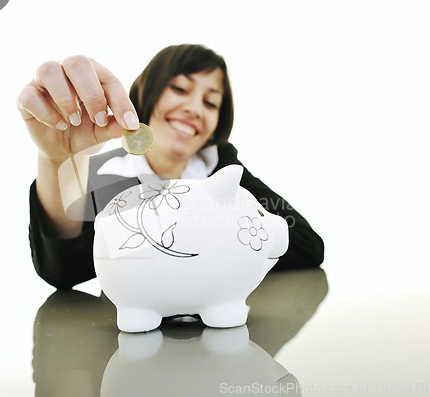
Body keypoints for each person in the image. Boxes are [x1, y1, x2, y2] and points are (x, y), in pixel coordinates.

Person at [18, 44, 325, 289]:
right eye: (180, 89)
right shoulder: (106, 174)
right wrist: (57, 160)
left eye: (211, 102)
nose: (194, 108)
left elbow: (306, 246)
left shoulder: (221, 169)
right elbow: (63, 271)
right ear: (149, 93)